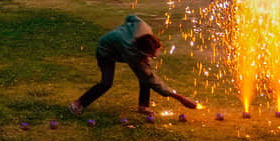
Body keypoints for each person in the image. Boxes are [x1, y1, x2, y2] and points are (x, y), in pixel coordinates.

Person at [69, 15, 198, 116]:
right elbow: (150, 78)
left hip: (122, 45)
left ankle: (143, 106)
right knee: (107, 82)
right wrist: (180, 98)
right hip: (105, 51)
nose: (151, 58)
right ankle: (78, 103)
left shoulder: (144, 27)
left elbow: (130, 17)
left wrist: (125, 28)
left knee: (144, 75)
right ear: (141, 52)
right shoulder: (131, 52)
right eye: (150, 55)